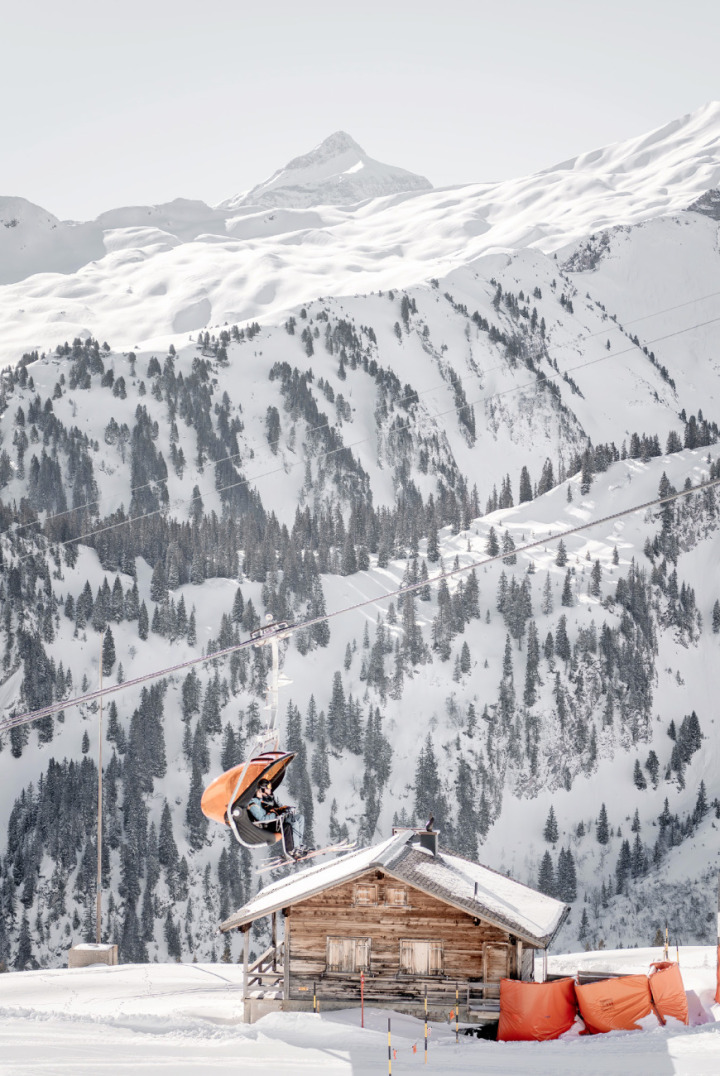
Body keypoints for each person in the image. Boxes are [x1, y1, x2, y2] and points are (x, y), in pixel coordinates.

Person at [247, 779, 303, 859]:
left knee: (300, 818)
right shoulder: (253, 804)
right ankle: (292, 850)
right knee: (291, 824)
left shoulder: (262, 800)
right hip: (268, 825)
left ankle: (299, 846)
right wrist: (277, 814)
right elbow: (263, 818)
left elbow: (273, 809)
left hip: (275, 821)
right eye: (260, 791)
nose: (270, 789)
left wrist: (284, 809)